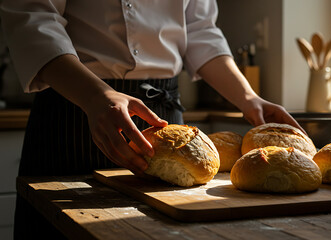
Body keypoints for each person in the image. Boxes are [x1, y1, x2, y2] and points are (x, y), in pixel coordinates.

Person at [0, 0, 304, 238]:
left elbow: (199, 28)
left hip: (166, 120)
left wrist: (249, 99)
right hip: (74, 108)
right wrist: (94, 96)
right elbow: (34, 18)